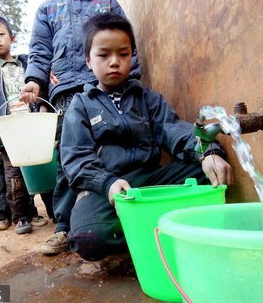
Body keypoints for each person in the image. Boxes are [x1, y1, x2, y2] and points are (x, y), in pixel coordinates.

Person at [61, 13, 234, 261]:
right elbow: (76, 158)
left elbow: (174, 130)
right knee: (88, 236)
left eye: (123, 54)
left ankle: (150, 225)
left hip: (152, 180)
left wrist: (207, 152)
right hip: (108, 188)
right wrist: (106, 183)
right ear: (88, 61)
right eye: (104, 55)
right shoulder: (80, 105)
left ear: (132, 56)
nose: (114, 62)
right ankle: (159, 229)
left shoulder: (148, 99)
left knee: (207, 174)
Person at [19, 0, 140, 255]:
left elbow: (128, 47)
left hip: (107, 89)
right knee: (68, 157)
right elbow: (40, 50)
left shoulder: (108, 4)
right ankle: (63, 225)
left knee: (113, 148)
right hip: (66, 93)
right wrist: (35, 81)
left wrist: (132, 82)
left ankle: (113, 213)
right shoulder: (48, 8)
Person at [0, 15, 42, 235]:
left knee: (40, 170)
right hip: (7, 134)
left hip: (32, 128)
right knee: (14, 177)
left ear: (12, 37)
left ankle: (46, 212)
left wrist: (41, 109)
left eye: (1, 34)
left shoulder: (27, 63)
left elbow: (42, 88)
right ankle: (20, 217)